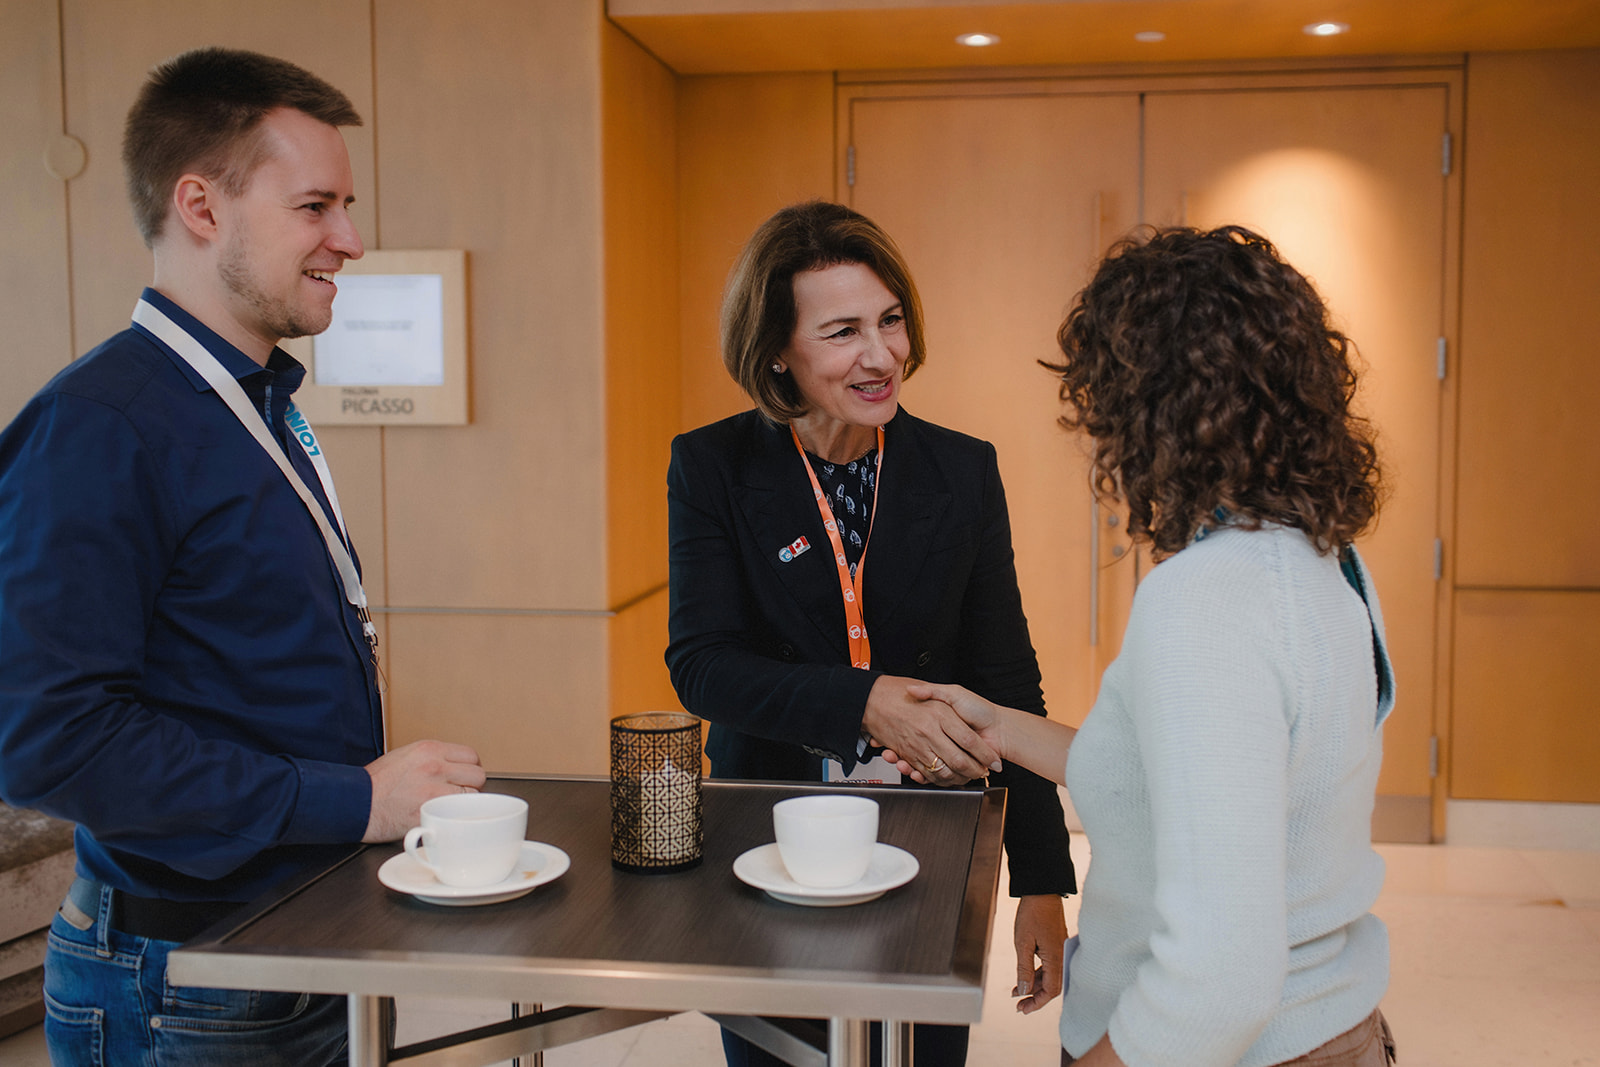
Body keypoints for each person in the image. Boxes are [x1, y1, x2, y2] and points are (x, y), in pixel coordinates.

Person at [0, 47, 484, 1066]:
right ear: (201, 207)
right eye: (315, 207)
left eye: (346, 206)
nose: (350, 239)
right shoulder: (101, 427)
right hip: (187, 976)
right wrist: (356, 800)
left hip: (293, 938)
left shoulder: (245, 405)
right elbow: (52, 737)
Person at [904, 225, 1397, 1067]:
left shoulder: (1205, 599)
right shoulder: (1323, 560)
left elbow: (1218, 982)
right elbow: (1187, 777)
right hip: (1336, 1031)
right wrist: (992, 724)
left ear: (1154, 411)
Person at [666, 200, 1075, 1067]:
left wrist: (1040, 880)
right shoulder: (712, 465)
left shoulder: (962, 469)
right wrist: (864, 702)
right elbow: (702, 665)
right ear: (777, 349)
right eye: (843, 331)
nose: (881, 354)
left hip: (931, 833)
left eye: (890, 320)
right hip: (768, 831)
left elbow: (1007, 676)